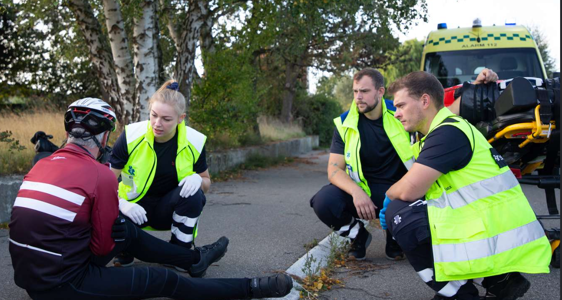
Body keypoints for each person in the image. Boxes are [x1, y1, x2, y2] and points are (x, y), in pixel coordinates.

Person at [9, 98, 293, 300]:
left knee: (124, 229)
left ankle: (195, 258)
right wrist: (115, 225)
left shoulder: (41, 164)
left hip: (31, 275)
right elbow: (101, 247)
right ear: (105, 137)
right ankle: (252, 287)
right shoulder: (100, 174)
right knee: (165, 280)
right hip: (63, 285)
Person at [380, 72, 551, 300]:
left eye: (400, 105)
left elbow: (410, 189)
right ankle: (500, 280)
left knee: (401, 213)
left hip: (496, 232)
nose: (396, 113)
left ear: (424, 100)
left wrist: (388, 197)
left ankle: (460, 293)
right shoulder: (445, 128)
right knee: (407, 208)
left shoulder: (447, 133)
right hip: (490, 226)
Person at [310, 68, 414, 261]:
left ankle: (395, 237)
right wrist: (356, 192)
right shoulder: (345, 122)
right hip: (362, 192)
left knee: (424, 197)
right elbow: (334, 170)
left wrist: (474, 86)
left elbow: (437, 103)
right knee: (323, 201)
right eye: (356, 91)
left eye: (364, 91)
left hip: (398, 192)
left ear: (380, 92)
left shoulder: (401, 114)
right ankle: (358, 236)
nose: (358, 97)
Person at [109, 80, 212, 267]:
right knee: (107, 206)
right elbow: (105, 182)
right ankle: (126, 249)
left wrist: (198, 179)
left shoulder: (195, 141)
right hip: (132, 208)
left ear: (181, 118)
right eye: (154, 115)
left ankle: (179, 251)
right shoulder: (131, 135)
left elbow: (206, 182)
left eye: (166, 119)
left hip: (168, 209)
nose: (157, 124)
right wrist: (121, 203)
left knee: (195, 196)